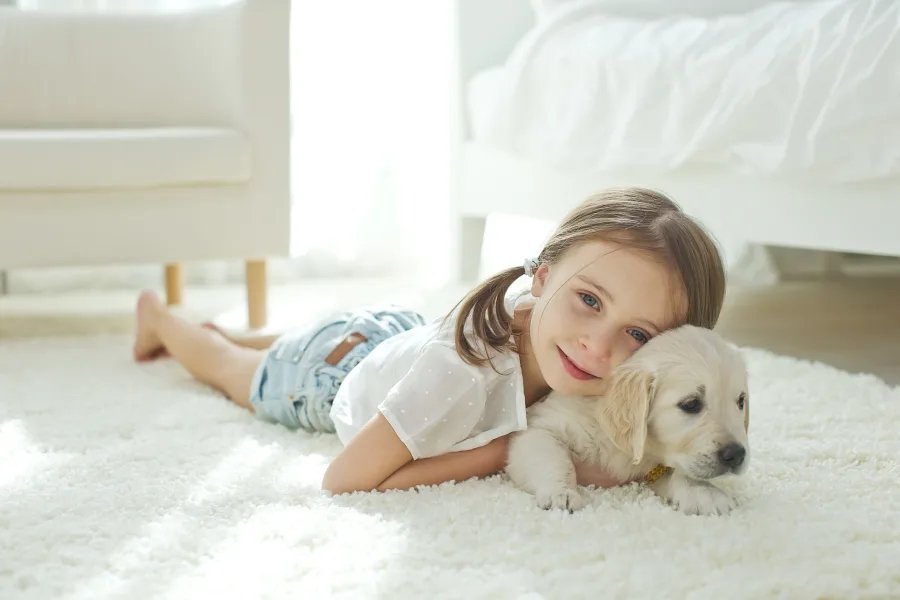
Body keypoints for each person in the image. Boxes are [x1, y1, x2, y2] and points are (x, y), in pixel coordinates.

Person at [132, 187, 725, 495]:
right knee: (235, 370)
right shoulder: (460, 376)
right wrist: (500, 451)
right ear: (542, 278)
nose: (599, 346)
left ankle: (271, 334)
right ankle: (161, 319)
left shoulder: (591, 361)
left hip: (396, 339)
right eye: (589, 301)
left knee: (311, 338)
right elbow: (345, 478)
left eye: (638, 334)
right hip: (328, 377)